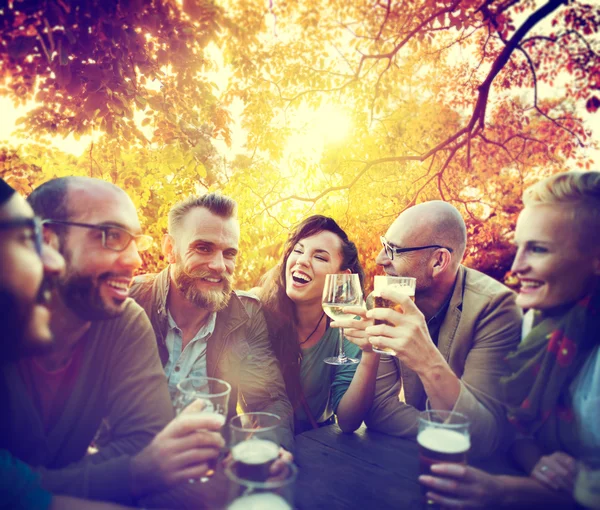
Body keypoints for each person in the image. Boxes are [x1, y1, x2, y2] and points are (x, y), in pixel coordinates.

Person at [1, 176, 224, 507]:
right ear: (46, 241)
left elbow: (147, 441)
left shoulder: (124, 320)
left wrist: (37, 488)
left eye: (135, 241)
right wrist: (131, 474)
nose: (135, 260)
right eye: (112, 237)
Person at [418, 171, 600, 508]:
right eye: (519, 248)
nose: (517, 266)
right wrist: (540, 465)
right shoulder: (539, 322)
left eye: (539, 249)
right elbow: (513, 427)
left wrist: (505, 490)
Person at [333, 201, 522, 457]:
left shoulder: (495, 309)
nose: (379, 259)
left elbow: (484, 437)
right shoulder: (386, 301)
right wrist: (446, 432)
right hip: (415, 461)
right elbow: (379, 411)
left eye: (393, 250)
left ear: (438, 261)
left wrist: (426, 360)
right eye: (383, 245)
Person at [129, 193, 294, 451]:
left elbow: (269, 402)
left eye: (229, 253)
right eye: (203, 248)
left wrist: (266, 451)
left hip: (209, 471)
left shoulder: (246, 316)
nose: (219, 265)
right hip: (126, 470)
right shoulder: (131, 300)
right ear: (170, 250)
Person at [256, 215, 378, 434]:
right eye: (298, 250)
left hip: (317, 441)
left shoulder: (351, 325)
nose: (302, 260)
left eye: (320, 257)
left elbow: (349, 422)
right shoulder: (257, 309)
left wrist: (370, 356)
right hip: (265, 437)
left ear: (342, 276)